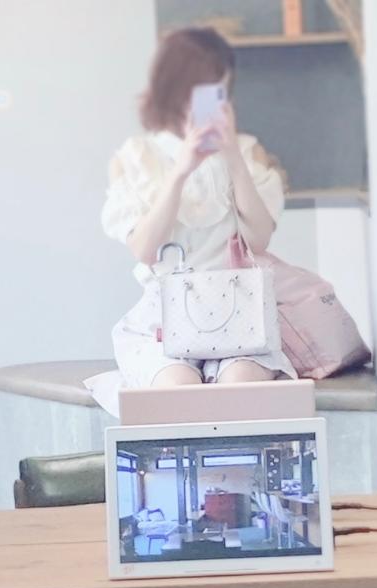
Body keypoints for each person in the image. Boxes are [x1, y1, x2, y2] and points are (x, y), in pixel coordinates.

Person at [87, 27, 296, 414]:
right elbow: (145, 249)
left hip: (239, 317)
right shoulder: (139, 156)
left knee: (241, 387)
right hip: (163, 322)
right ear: (173, 88)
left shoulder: (247, 151)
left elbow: (259, 240)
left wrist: (232, 157)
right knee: (179, 391)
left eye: (219, 90)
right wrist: (181, 169)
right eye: (201, 88)